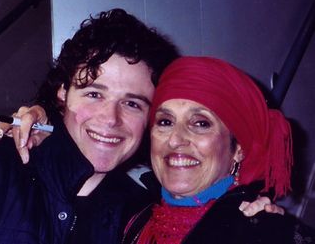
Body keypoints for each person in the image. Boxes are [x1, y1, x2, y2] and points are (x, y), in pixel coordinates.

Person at [0, 9, 281, 244]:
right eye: (94, 94)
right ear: (63, 94)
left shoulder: (135, 216)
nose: (110, 119)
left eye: (132, 103)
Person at [122, 56, 315, 244]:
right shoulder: (131, 216)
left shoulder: (264, 231)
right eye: (165, 122)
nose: (175, 139)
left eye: (200, 123)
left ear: (238, 149)